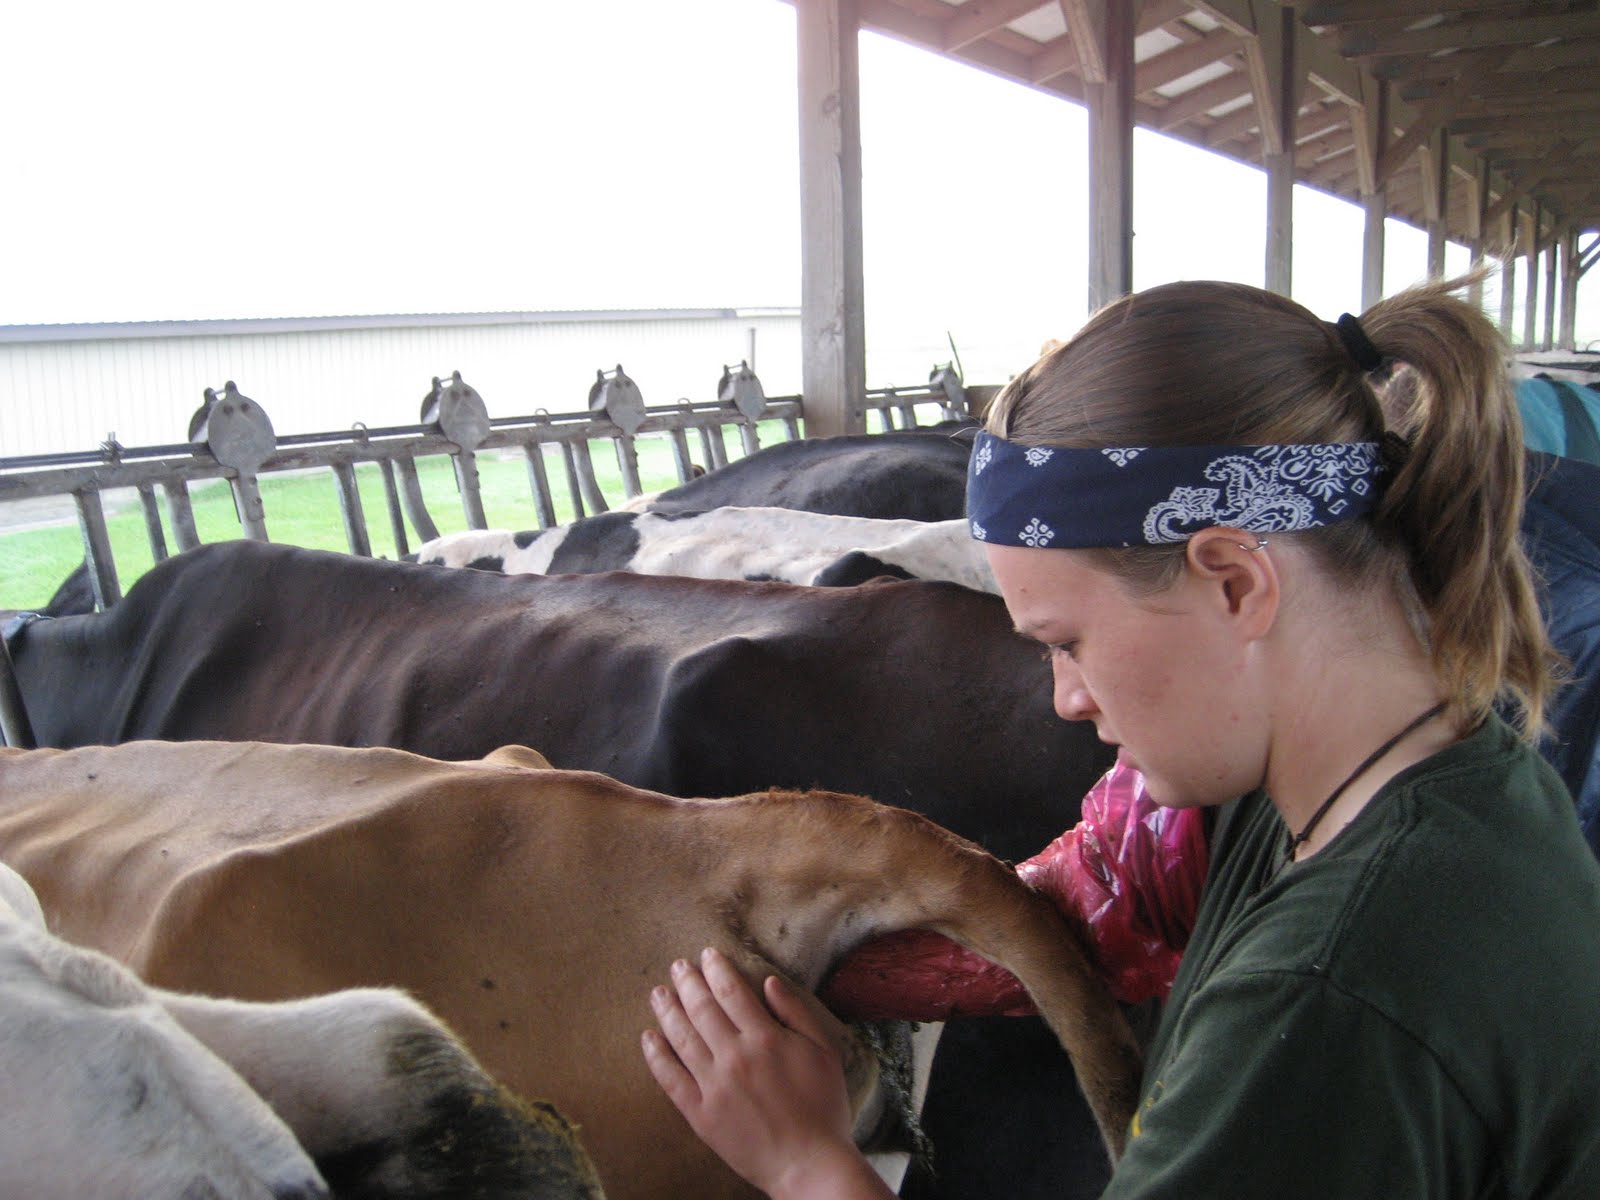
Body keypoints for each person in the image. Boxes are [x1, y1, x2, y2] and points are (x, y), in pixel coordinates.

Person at [639, 275, 1600, 1198]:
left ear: (1234, 581)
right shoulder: (1453, 777)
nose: (1066, 698)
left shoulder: (1333, 993)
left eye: (1069, 642)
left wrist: (809, 1167)